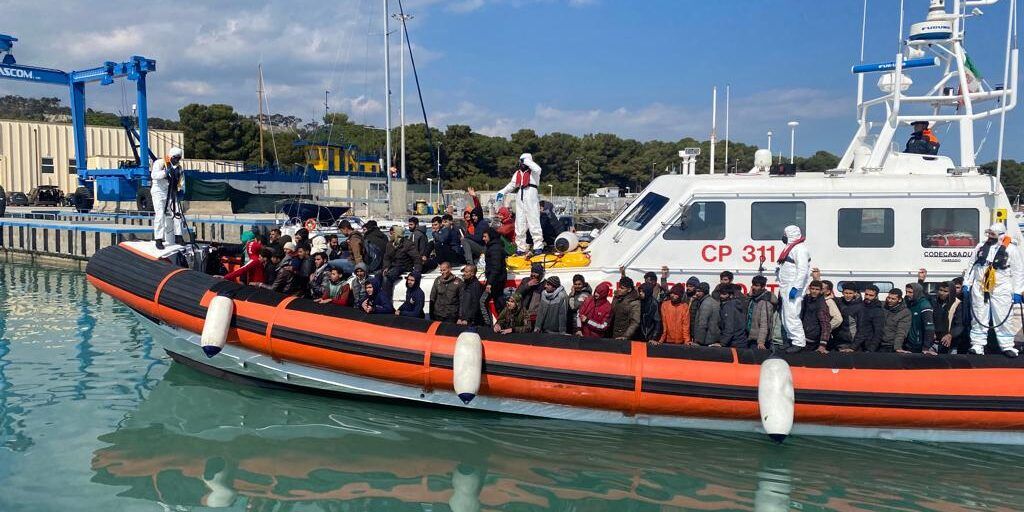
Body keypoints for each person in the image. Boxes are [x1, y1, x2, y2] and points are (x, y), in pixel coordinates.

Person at [964, 222, 1024, 357]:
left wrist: (1017, 291)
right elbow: (972, 265)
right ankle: (977, 344)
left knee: (1003, 316)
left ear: (1001, 235)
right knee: (979, 315)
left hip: (1001, 288)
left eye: (993, 234)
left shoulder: (1011, 250)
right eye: (989, 233)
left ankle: (1007, 345)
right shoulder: (980, 247)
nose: (990, 236)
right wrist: (966, 283)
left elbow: (1018, 271)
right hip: (980, 286)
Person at [496, 153, 545, 256]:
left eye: (523, 161)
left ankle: (538, 246)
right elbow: (512, 185)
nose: (521, 163)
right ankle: (521, 247)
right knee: (519, 222)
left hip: (531, 193)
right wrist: (502, 191)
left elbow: (538, 169)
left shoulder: (534, 172)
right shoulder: (517, 173)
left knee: (533, 221)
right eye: (521, 161)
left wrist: (527, 161)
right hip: (520, 195)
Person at [776, 225, 812, 353]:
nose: (783, 237)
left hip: (793, 287)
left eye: (785, 234)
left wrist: (796, 287)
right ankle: (790, 339)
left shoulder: (800, 249)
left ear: (790, 235)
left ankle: (798, 342)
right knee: (785, 315)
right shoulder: (791, 248)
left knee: (792, 314)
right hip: (786, 286)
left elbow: (803, 270)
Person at [150, 147, 184, 250]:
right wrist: (165, 172)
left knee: (177, 213)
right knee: (160, 215)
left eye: (179, 158)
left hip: (171, 192)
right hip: (158, 192)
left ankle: (179, 236)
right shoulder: (159, 163)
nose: (177, 160)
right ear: (170, 156)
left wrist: (180, 189)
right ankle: (158, 239)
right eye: (175, 158)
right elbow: (154, 175)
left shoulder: (179, 167)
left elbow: (181, 181)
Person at [381, 225, 422, 292]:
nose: (390, 234)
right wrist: (386, 267)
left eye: (393, 233)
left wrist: (417, 271)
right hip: (392, 266)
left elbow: (416, 257)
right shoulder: (390, 244)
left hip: (404, 266)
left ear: (397, 234)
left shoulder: (407, 244)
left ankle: (386, 297)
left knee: (388, 277)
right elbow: (387, 258)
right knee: (378, 276)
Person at [903, 283, 938, 354]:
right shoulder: (909, 303)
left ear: (917, 292)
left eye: (910, 292)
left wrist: (926, 347)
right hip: (909, 344)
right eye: (906, 291)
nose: (907, 294)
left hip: (919, 345)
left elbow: (929, 327)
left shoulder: (924, 305)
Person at [800, 280, 832, 354]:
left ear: (821, 291)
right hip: (802, 337)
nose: (814, 291)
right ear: (809, 288)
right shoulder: (806, 299)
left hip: (813, 341)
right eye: (813, 289)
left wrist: (822, 345)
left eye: (817, 289)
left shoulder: (821, 304)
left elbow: (825, 324)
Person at [746, 275, 777, 350]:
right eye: (753, 285)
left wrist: (761, 342)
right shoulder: (754, 298)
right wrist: (749, 296)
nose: (754, 287)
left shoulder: (765, 301)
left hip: (757, 341)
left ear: (763, 287)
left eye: (757, 286)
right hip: (750, 337)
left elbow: (764, 323)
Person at [482, 228, 509, 313]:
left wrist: (490, 283)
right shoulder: (493, 246)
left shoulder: (495, 248)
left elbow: (496, 267)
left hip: (496, 279)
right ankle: (503, 319)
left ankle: (493, 320)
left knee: (482, 301)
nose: (483, 239)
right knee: (498, 302)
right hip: (497, 278)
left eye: (485, 236)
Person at [932, 282, 963, 354]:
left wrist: (950, 335)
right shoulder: (934, 301)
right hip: (934, 342)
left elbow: (960, 324)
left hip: (950, 344)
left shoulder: (957, 304)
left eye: (945, 291)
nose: (942, 293)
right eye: (940, 290)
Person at [852, 284, 885, 352]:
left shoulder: (878, 311)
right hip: (856, 343)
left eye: (871, 295)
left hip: (868, 345)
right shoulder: (860, 306)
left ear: (876, 296)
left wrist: (871, 349)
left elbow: (878, 332)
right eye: (866, 294)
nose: (867, 297)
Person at [638, 269, 665, 342]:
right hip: (642, 331)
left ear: (654, 281)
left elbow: (657, 321)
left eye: (648, 281)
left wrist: (654, 337)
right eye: (645, 281)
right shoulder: (641, 293)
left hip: (651, 330)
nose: (646, 283)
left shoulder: (660, 292)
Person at [833, 284, 863, 352]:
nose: (848, 295)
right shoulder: (839, 302)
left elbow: (862, 329)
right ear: (842, 293)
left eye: (850, 293)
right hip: (838, 341)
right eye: (846, 293)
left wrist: (853, 347)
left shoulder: (860, 307)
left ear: (855, 293)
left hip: (851, 343)